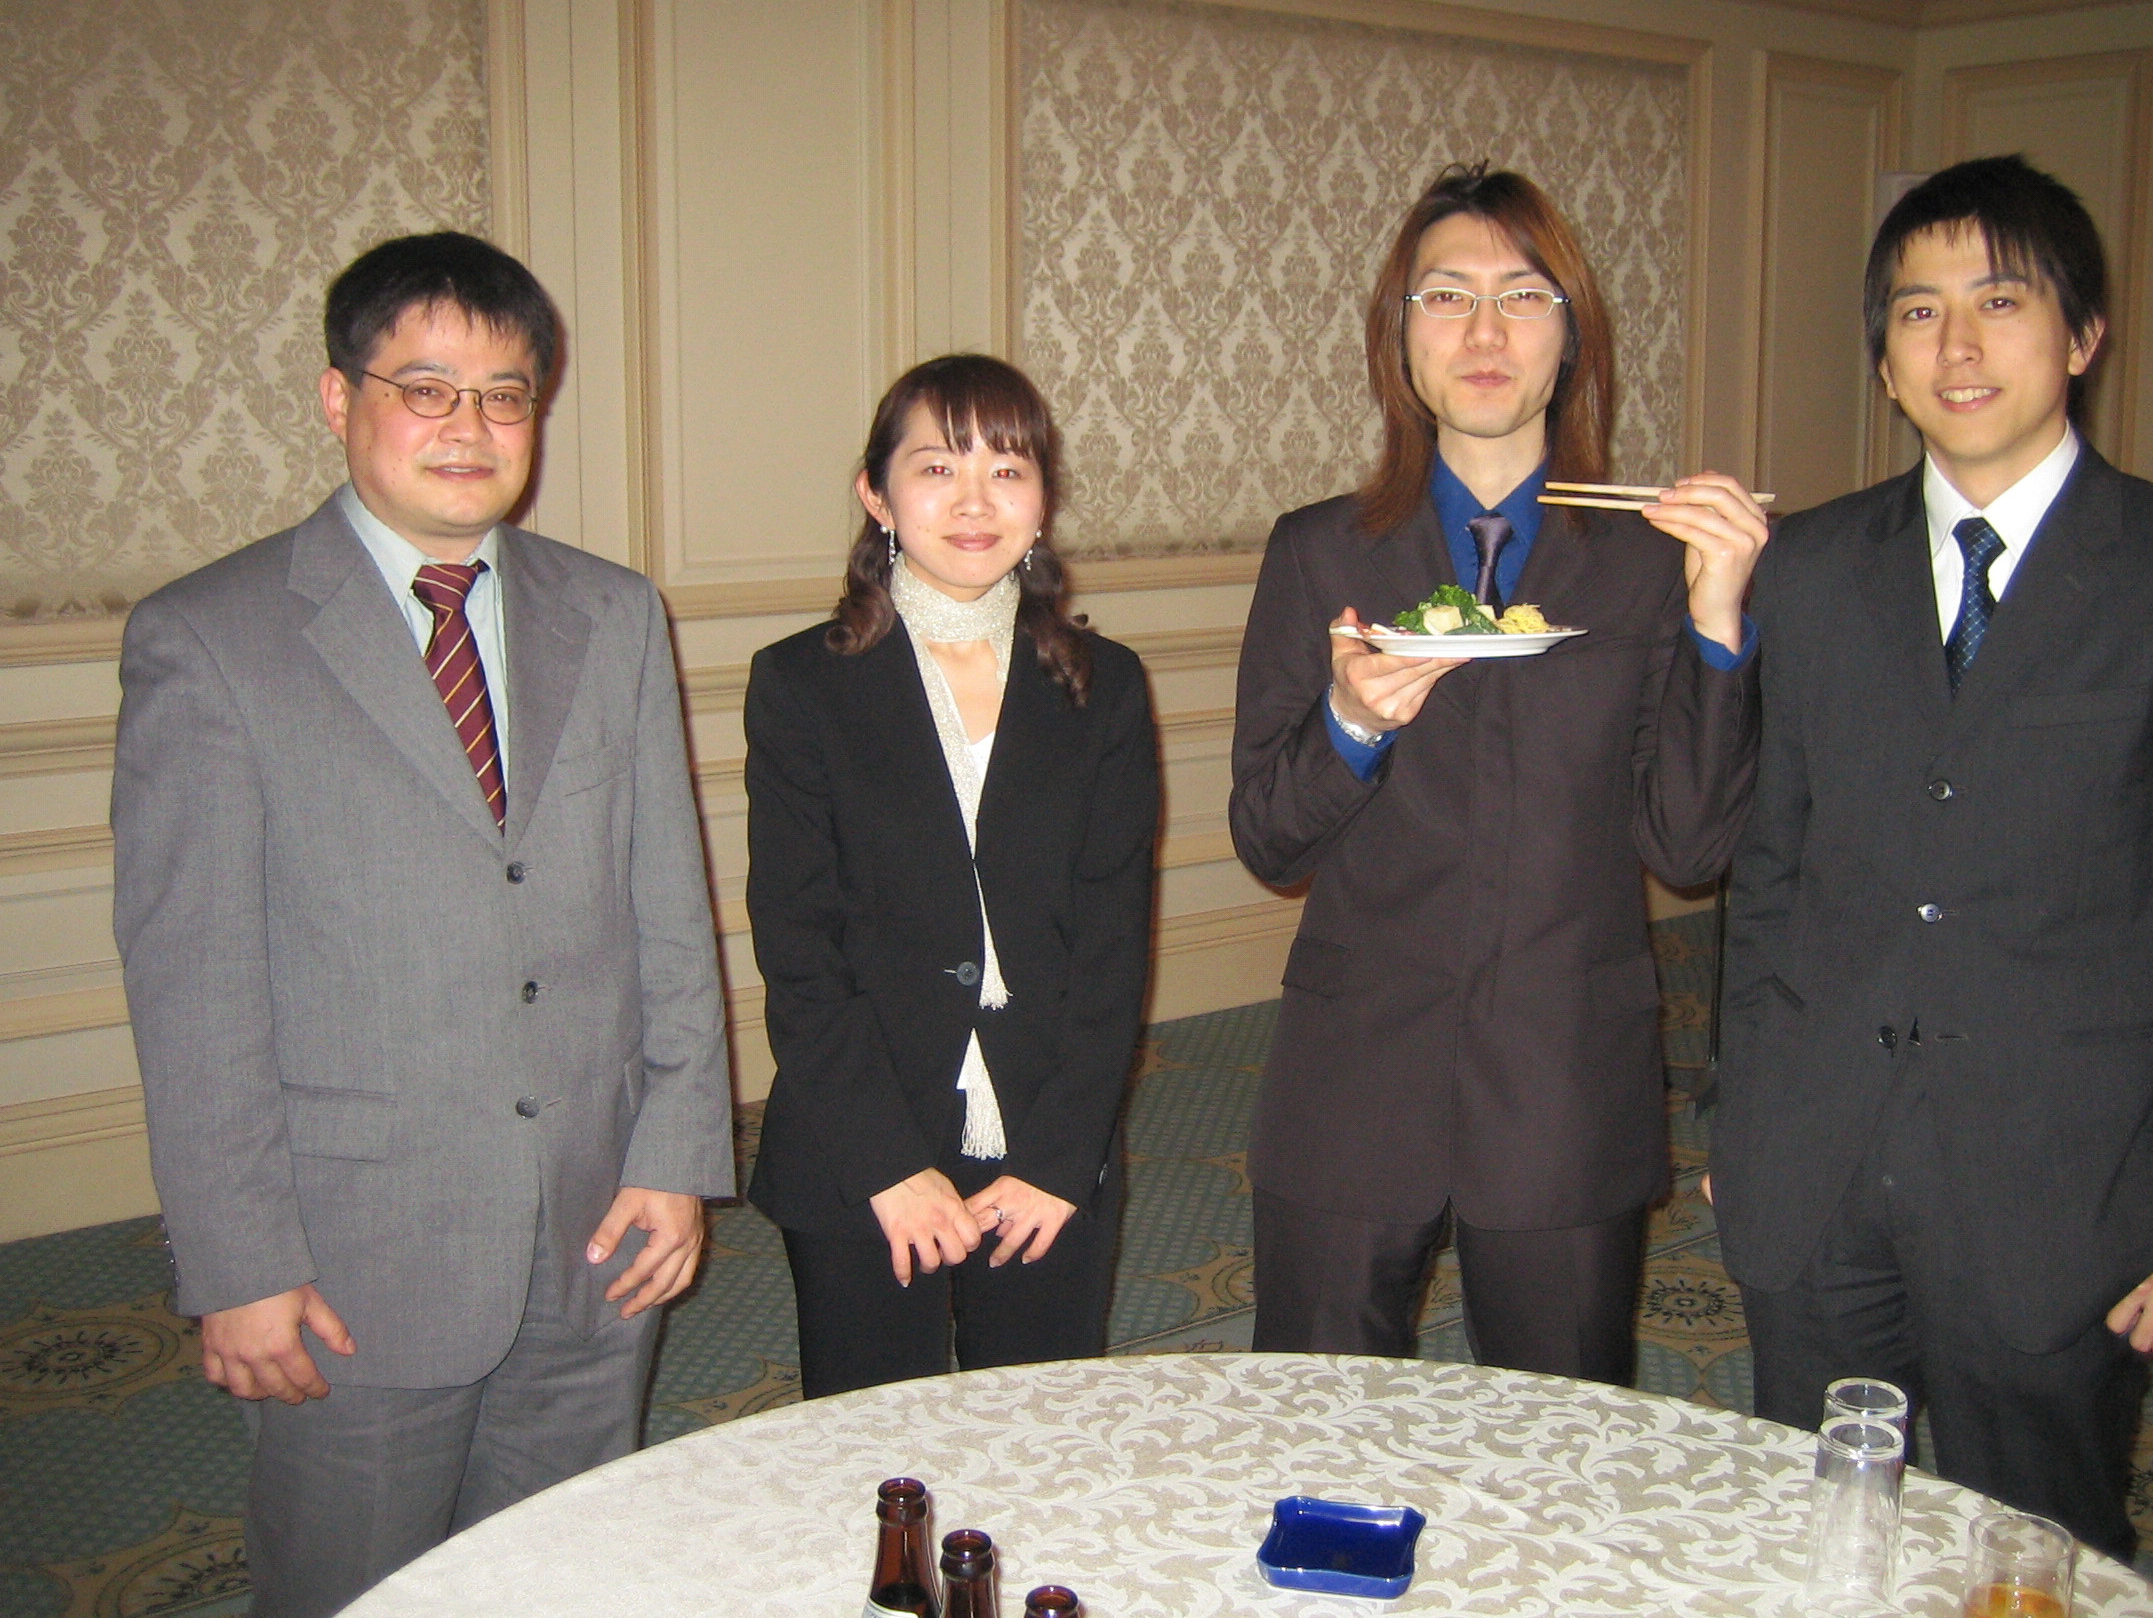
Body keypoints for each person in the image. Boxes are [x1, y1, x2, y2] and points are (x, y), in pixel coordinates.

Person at [110, 233, 735, 1617]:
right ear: (340, 399)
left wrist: (676, 1156)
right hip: (355, 1261)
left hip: (597, 1229)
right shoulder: (211, 639)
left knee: (564, 1580)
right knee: (355, 1588)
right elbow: (194, 990)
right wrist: (240, 1265)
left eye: (505, 395)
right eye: (427, 388)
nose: (470, 427)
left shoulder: (613, 614)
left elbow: (668, 914)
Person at [1709, 155, 2153, 1558]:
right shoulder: (1810, 566)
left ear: (2081, 336)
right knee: (1821, 1533)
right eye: (1918, 313)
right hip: (1818, 1164)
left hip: (2060, 1187)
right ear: (1884, 363)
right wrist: (1746, 1117)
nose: (1956, 346)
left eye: (2000, 302)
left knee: (2039, 1544)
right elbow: (1770, 871)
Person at [1228, 163, 1767, 1380]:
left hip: (1563, 1077)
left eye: (1523, 297)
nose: (1483, 332)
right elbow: (1267, 835)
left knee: (1561, 1439)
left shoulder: (1646, 563)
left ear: (1571, 340)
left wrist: (1717, 620)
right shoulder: (1320, 552)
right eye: (1446, 296)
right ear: (1398, 335)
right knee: (1313, 1426)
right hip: (1353, 1071)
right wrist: (1348, 724)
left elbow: (1688, 847)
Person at [742, 354, 1159, 1399]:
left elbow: (1112, 946)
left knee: (1036, 1433)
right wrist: (886, 1164)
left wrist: (1059, 1163)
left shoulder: (1103, 685)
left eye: (1007, 470)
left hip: (1047, 1137)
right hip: (862, 1138)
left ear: (1043, 500)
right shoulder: (801, 683)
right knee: (877, 1442)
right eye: (937, 468)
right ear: (877, 496)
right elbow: (798, 949)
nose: (975, 502)